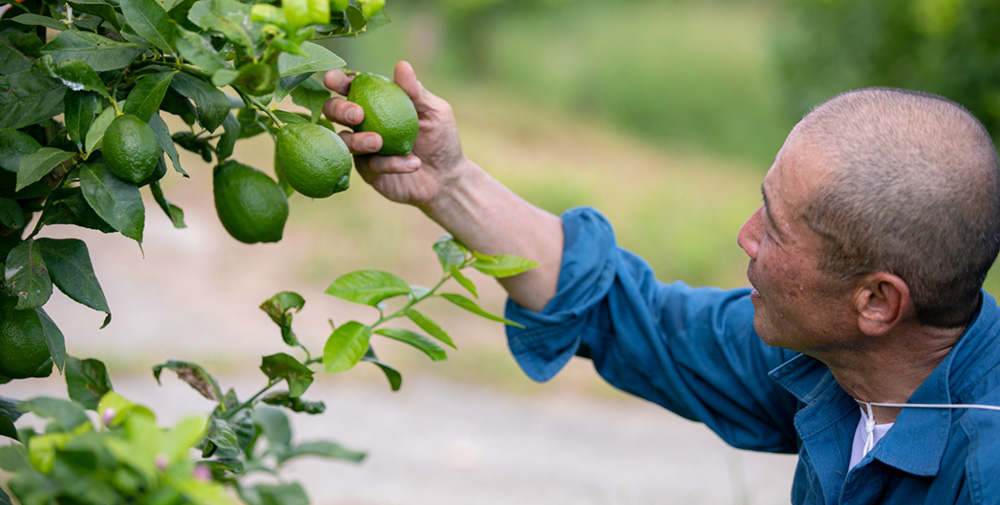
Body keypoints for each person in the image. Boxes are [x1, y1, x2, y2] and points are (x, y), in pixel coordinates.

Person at [322, 62, 1000, 504]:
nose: (746, 236)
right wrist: (450, 182)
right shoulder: (837, 360)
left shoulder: (980, 475)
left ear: (877, 302)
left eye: (777, 228)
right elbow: (632, 314)